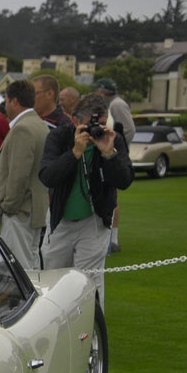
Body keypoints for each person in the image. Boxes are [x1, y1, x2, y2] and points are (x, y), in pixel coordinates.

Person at [39, 93, 134, 303]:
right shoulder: (59, 137)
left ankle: (93, 334)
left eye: (100, 123)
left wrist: (109, 155)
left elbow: (125, 180)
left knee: (90, 284)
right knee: (53, 282)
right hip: (60, 221)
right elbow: (47, 176)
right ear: (75, 121)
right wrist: (74, 153)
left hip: (94, 221)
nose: (96, 129)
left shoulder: (113, 138)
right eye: (90, 124)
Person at [0, 80, 49, 269]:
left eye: (6, 100)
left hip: (20, 211)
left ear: (14, 101)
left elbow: (18, 175)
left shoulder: (23, 128)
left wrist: (9, 207)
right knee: (31, 264)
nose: (5, 105)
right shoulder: (39, 124)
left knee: (19, 270)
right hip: (35, 208)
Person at [92, 78, 134, 253]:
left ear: (102, 91)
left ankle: (113, 239)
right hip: (107, 150)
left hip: (112, 152)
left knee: (113, 197)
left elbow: (129, 128)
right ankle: (111, 239)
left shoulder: (116, 105)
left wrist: (118, 145)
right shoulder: (112, 104)